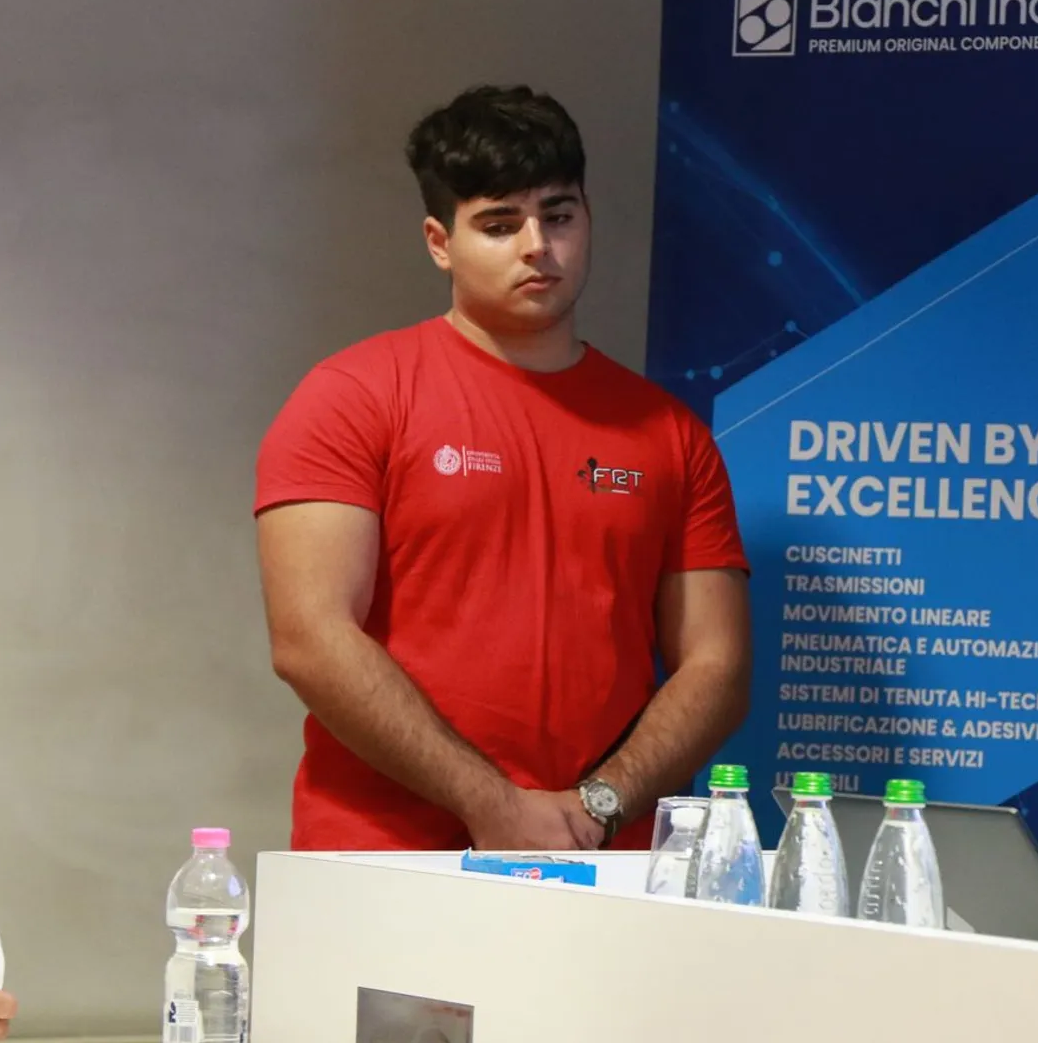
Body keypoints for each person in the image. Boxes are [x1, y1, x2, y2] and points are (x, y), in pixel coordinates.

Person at [254, 85, 751, 853]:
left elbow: (717, 664)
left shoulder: (670, 434)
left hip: (599, 855)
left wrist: (597, 805)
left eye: (559, 215)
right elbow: (310, 639)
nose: (536, 246)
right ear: (439, 241)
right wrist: (492, 804)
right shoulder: (352, 396)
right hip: (382, 857)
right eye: (498, 224)